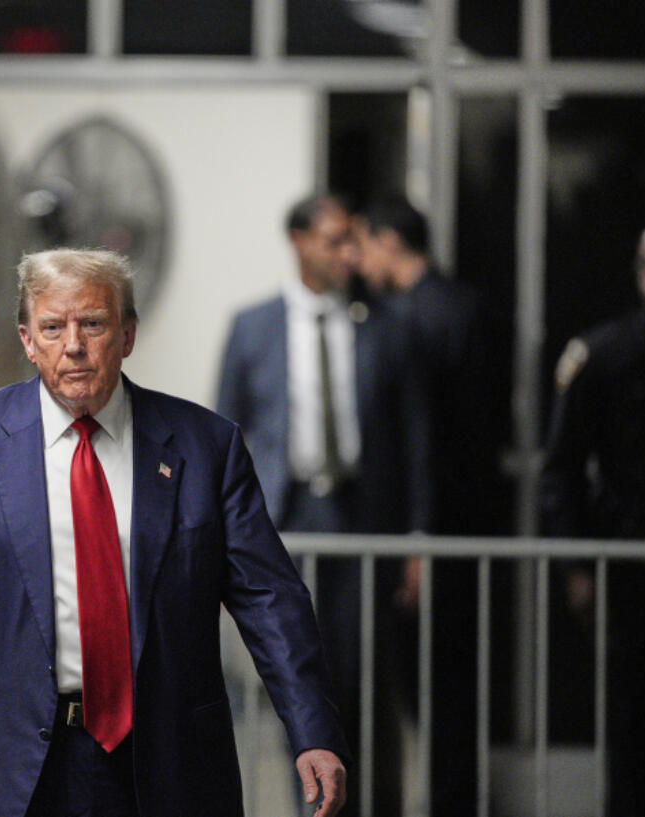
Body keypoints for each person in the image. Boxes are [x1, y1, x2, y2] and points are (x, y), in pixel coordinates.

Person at [0, 248, 348, 817]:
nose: (72, 345)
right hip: (0, 759)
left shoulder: (205, 446)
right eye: (52, 327)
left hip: (163, 758)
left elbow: (270, 600)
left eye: (92, 324)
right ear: (27, 340)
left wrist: (312, 729)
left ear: (127, 335)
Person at [217, 193, 430, 816]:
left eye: (352, 240)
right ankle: (313, 807)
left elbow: (414, 437)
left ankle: (371, 805)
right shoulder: (253, 325)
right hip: (286, 522)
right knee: (298, 679)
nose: (349, 253)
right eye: (335, 240)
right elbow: (224, 432)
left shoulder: (385, 325)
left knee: (367, 681)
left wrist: (417, 537)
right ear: (298, 240)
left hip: (366, 520)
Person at [540, 212, 645, 817]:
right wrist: (579, 565)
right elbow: (561, 471)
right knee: (631, 720)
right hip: (630, 564)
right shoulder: (605, 354)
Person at [358, 193, 487, 816]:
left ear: (387, 242)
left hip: (420, 525)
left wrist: (415, 528)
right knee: (455, 682)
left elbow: (418, 437)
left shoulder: (398, 321)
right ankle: (451, 800)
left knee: (418, 679)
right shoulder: (467, 306)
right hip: (466, 520)